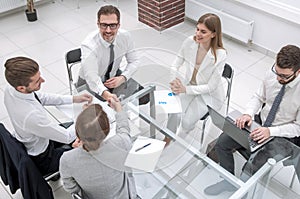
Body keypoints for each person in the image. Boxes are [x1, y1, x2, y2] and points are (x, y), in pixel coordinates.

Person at [204, 44, 300, 195]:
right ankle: (228, 181)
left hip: (282, 135)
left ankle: (241, 193)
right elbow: (258, 97)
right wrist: (248, 114)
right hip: (259, 124)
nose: (278, 78)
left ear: (298, 71)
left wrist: (270, 131)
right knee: (222, 143)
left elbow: (298, 127)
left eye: (284, 76)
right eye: (277, 72)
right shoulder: (272, 73)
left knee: (250, 168)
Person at [4, 56, 92, 176]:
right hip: (43, 158)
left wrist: (74, 99)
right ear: (21, 87)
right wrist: (84, 116)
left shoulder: (11, 89)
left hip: (38, 139)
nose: (43, 80)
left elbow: (41, 97)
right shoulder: (31, 116)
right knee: (89, 144)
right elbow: (66, 137)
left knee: (75, 128)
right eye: (37, 81)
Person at [165, 13, 227, 143]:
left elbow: (211, 87)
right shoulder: (189, 41)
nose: (198, 34)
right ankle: (167, 139)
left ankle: (179, 141)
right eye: (197, 29)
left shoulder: (220, 55)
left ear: (213, 34)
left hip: (208, 94)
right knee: (173, 111)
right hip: (188, 85)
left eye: (203, 31)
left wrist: (185, 90)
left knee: (187, 122)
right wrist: (174, 79)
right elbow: (177, 62)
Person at [59, 97, 138, 199]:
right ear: (107, 130)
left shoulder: (67, 159)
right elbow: (124, 129)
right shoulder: (121, 143)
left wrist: (79, 150)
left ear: (78, 134)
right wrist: (118, 108)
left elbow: (70, 187)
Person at [78, 5, 139, 101]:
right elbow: (91, 76)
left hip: (114, 76)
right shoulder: (88, 45)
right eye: (104, 25)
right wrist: (106, 94)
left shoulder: (125, 37)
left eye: (112, 25)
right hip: (89, 82)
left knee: (143, 96)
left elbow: (134, 61)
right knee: (102, 112)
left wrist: (123, 77)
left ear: (119, 25)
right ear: (98, 24)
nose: (108, 30)